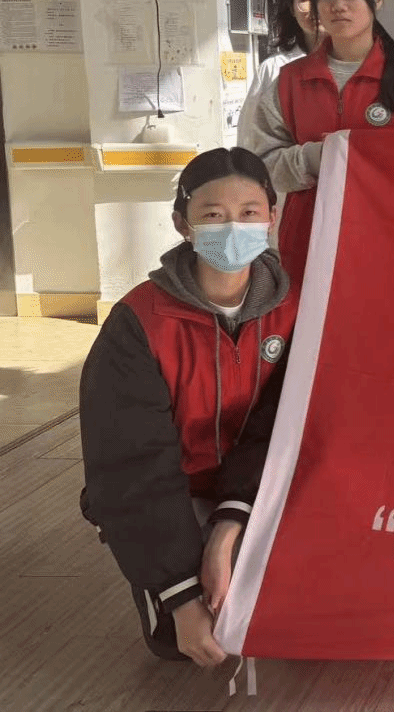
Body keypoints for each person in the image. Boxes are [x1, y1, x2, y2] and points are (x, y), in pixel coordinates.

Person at [79, 148, 298, 668]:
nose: (233, 227)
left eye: (249, 212)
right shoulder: (138, 323)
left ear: (272, 216)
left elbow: (286, 425)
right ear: (183, 224)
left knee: (284, 616)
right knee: (184, 640)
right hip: (177, 494)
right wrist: (179, 593)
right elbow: (131, 464)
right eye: (213, 214)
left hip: (262, 490)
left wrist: (230, 525)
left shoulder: (297, 309)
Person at [242, 0, 394, 284]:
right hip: (310, 243)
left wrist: (379, 159)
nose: (338, 5)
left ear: (377, 0)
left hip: (393, 243)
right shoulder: (290, 82)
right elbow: (262, 165)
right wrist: (316, 158)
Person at [236, 0, 318, 147]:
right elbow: (249, 137)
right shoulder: (274, 69)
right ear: (292, 9)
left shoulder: (355, 64)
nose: (315, 8)